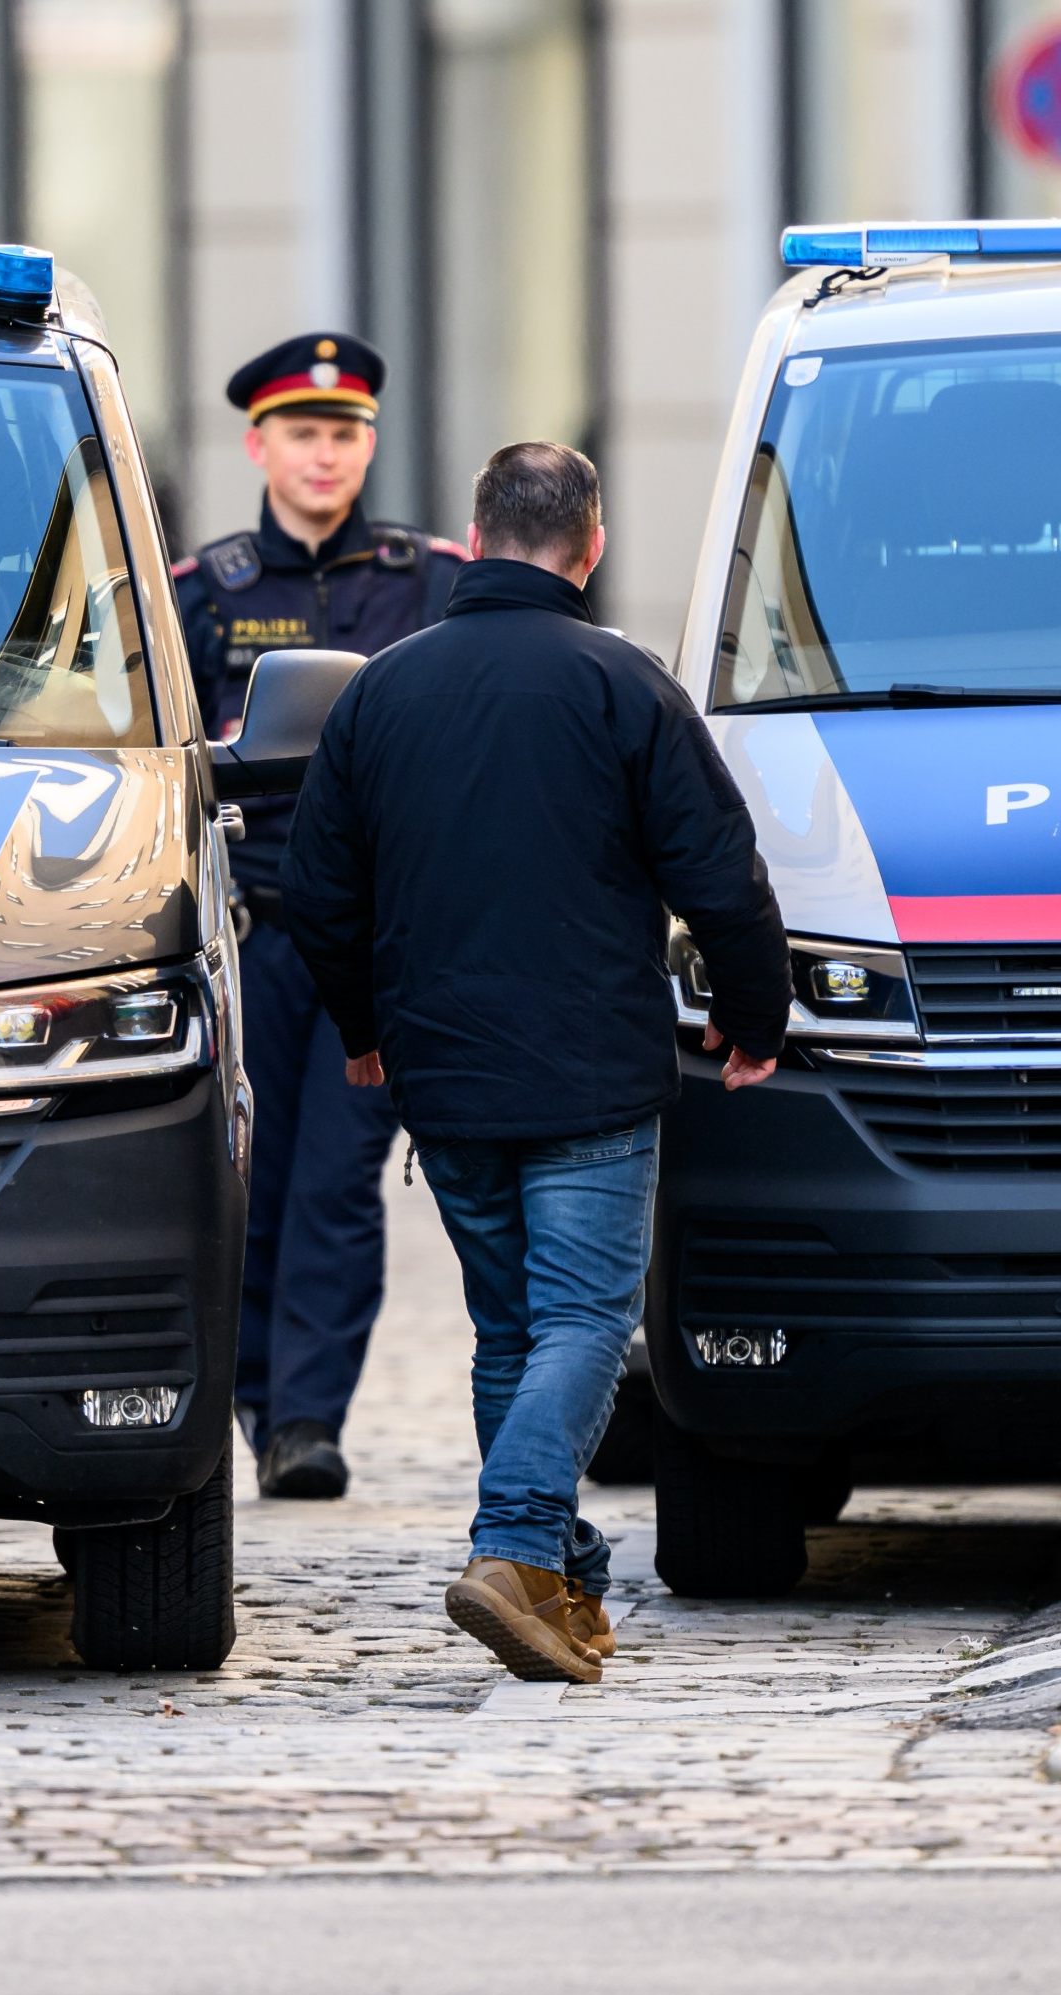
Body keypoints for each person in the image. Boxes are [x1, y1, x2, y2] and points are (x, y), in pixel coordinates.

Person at [275, 442, 786, 1683]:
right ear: (589, 544)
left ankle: (564, 1581)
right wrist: (755, 1017)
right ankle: (512, 1547)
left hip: (443, 1079)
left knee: (509, 1329)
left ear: (473, 534)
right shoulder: (623, 683)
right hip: (591, 1075)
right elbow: (719, 875)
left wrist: (361, 1028)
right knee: (585, 1321)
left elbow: (316, 892)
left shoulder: (379, 693)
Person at [171, 333, 462, 1502]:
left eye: (343, 434)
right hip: (254, 933)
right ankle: (251, 1396)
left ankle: (304, 1419)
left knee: (339, 1185)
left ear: (369, 446)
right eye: (302, 433)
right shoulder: (203, 593)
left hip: (376, 943)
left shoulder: (429, 582)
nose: (323, 454)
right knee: (250, 1172)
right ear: (258, 446)